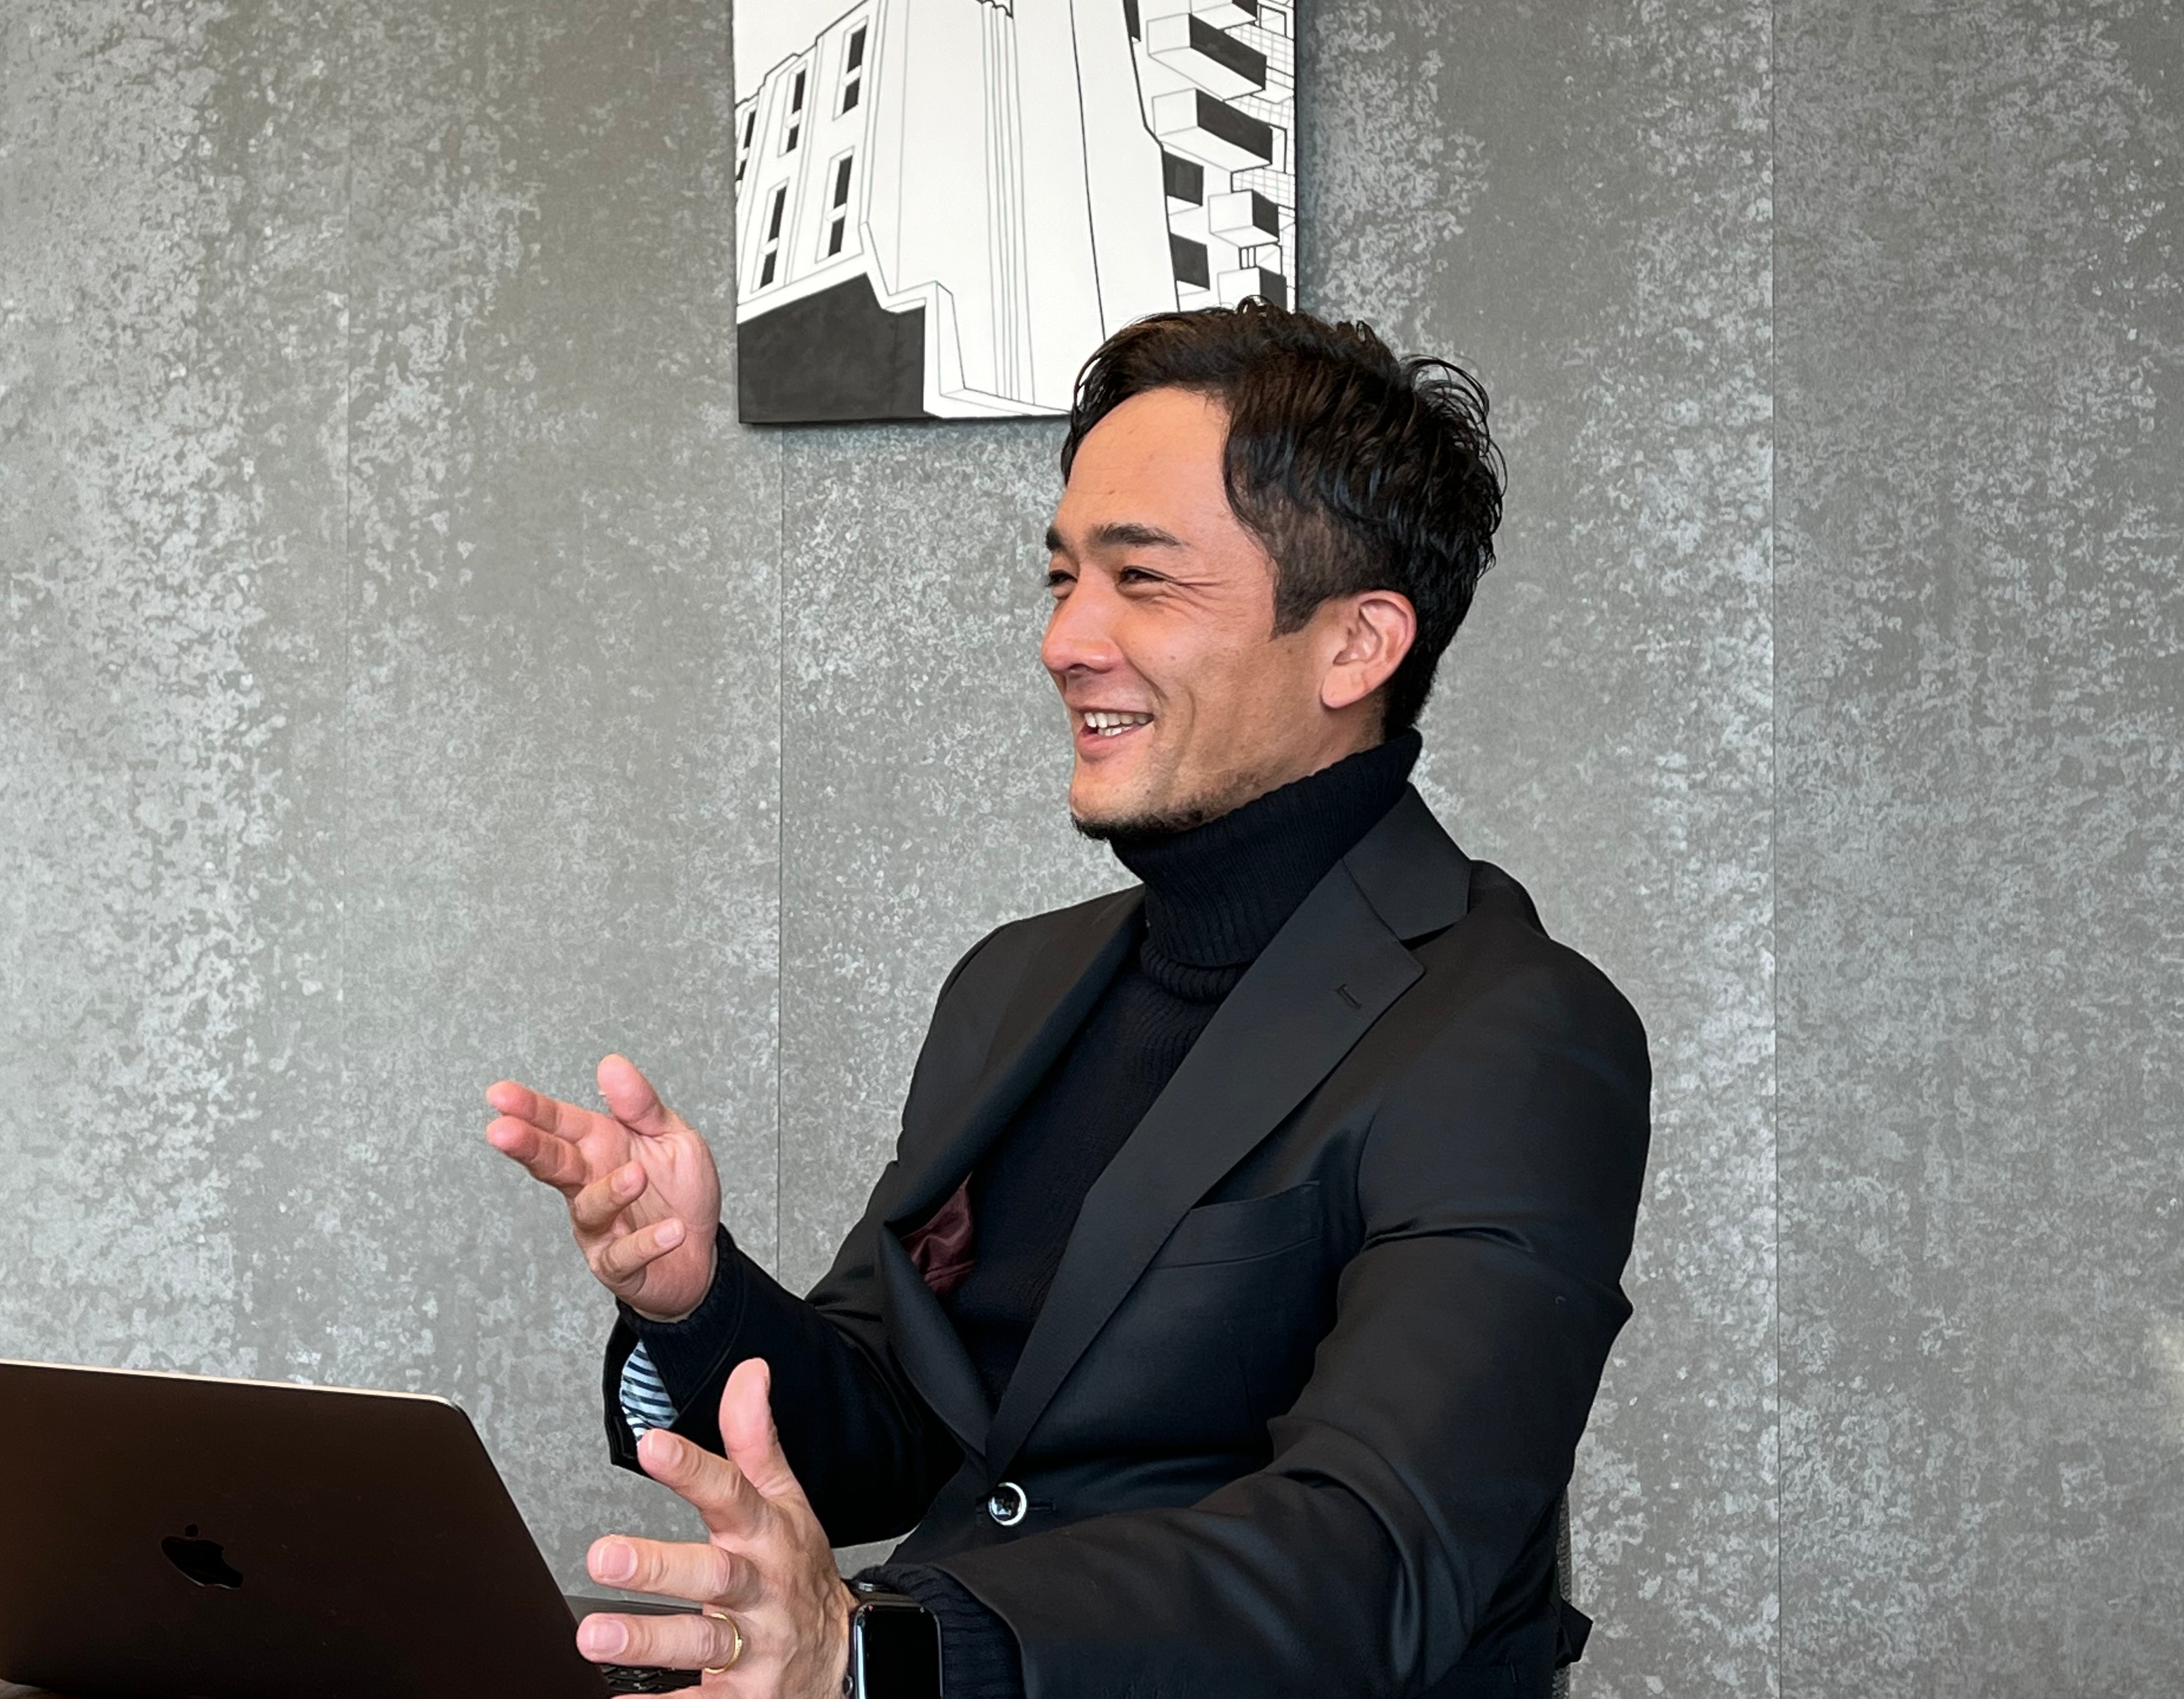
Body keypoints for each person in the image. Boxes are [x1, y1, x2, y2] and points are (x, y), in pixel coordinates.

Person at [484, 303, 1651, 1699]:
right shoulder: (1013, 984)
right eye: (1061, 577)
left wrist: (882, 1652)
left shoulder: (1514, 1034)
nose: (1066, 640)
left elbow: (1375, 1558)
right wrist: (694, 1299)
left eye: (1142, 579)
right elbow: (896, 1428)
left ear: (1356, 645)